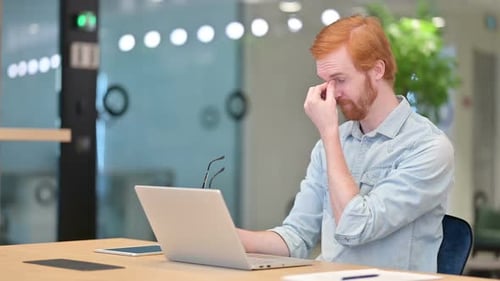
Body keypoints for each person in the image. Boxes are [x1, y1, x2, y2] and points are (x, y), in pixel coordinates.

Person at [238, 14, 454, 273]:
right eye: (326, 81)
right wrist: (228, 238)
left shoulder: (427, 148)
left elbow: (356, 226)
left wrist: (329, 134)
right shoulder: (334, 142)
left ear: (377, 70)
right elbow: (297, 236)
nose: (332, 94)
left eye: (340, 80)